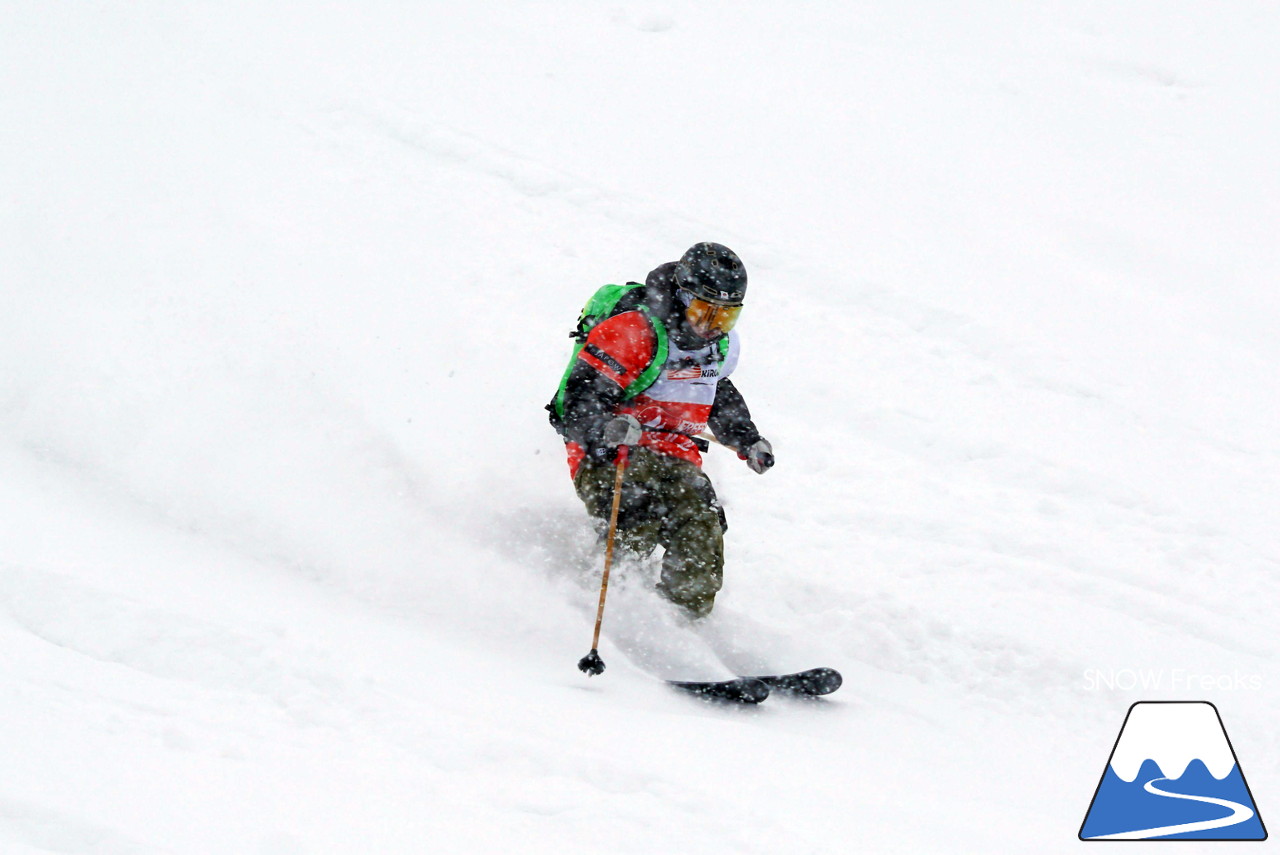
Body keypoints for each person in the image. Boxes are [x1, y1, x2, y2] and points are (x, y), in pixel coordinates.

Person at [551, 242, 774, 618]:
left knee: (702, 526)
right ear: (683, 296)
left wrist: (747, 438)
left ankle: (680, 626)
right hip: (613, 451)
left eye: (724, 318)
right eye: (704, 311)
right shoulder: (633, 333)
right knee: (638, 512)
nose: (710, 327)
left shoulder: (719, 348)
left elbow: (716, 390)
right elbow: (573, 405)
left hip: (675, 453)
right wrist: (606, 430)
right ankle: (604, 603)